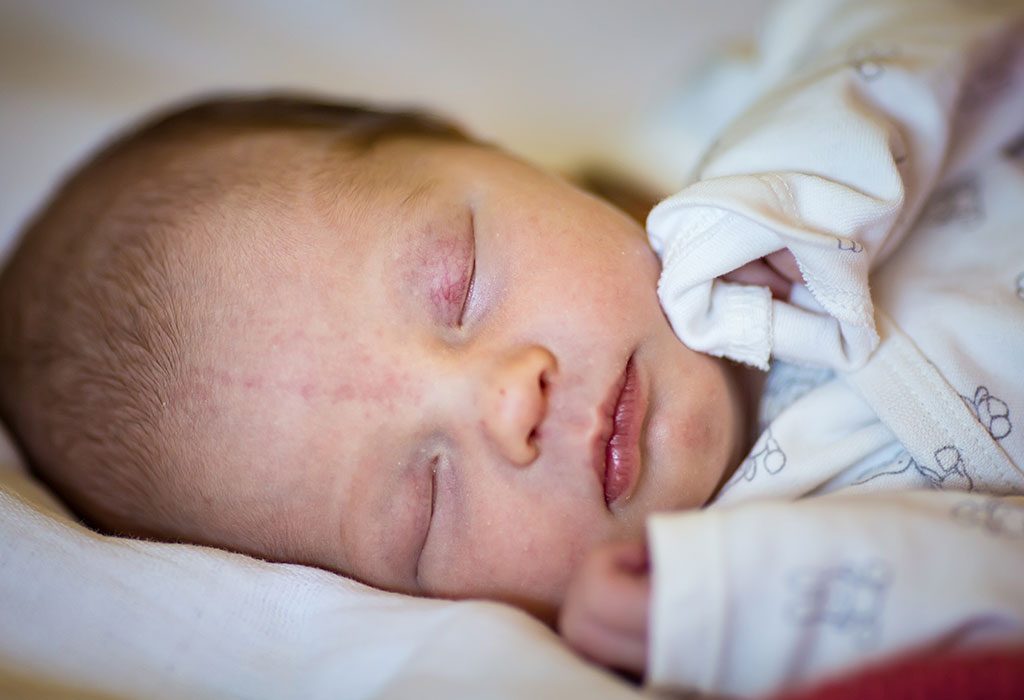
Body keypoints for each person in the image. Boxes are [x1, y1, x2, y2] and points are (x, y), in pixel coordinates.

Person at [0, 0, 1021, 696]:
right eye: (426, 499)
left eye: (456, 284)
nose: (505, 402)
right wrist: (735, 611)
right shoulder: (730, 607)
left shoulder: (733, 128)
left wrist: (782, 188)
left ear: (491, 153)